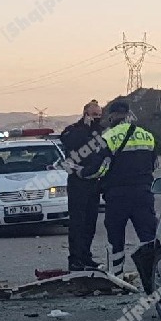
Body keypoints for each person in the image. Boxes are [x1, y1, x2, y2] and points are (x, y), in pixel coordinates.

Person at [79, 100, 158, 291]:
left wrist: (81, 173)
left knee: (116, 239)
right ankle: (154, 278)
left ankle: (117, 281)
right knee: (149, 238)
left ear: (112, 116)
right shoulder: (147, 136)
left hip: (117, 196)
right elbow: (154, 165)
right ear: (129, 114)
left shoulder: (109, 137)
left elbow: (100, 169)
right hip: (143, 194)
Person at [60, 100, 104, 271]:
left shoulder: (101, 131)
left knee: (90, 222)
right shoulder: (73, 130)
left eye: (99, 115)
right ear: (85, 114)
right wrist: (87, 129)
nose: (97, 119)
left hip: (94, 182)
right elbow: (70, 142)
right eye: (94, 115)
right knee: (78, 222)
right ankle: (75, 259)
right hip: (78, 182)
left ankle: (86, 256)